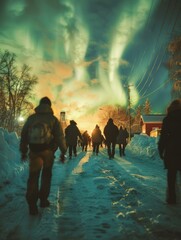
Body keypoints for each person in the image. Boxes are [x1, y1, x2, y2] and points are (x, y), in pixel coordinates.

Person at [19, 97, 67, 215]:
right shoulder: (53, 120)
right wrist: (63, 152)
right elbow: (60, 137)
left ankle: (32, 204)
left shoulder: (31, 118)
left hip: (34, 151)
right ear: (49, 106)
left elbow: (24, 135)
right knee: (46, 176)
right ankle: (43, 200)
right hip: (47, 152)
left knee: (33, 177)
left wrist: (24, 150)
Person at [158, 99, 181, 205]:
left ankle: (172, 198)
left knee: (171, 175)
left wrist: (161, 149)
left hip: (172, 150)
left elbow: (163, 137)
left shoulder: (168, 119)